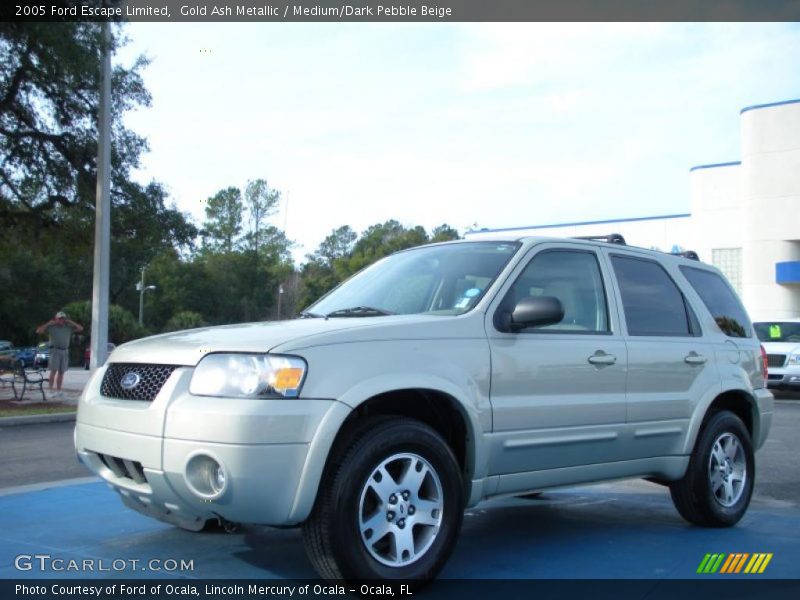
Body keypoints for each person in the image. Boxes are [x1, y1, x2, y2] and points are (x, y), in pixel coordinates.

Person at [36, 311, 83, 399]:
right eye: (60, 319)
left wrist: (70, 322)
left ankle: (59, 391)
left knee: (61, 372)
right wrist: (48, 323)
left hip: (65, 351)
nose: (62, 320)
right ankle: (50, 390)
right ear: (56, 319)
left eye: (63, 318)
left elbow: (80, 328)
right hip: (55, 350)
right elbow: (39, 331)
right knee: (53, 371)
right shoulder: (52, 327)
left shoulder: (68, 327)